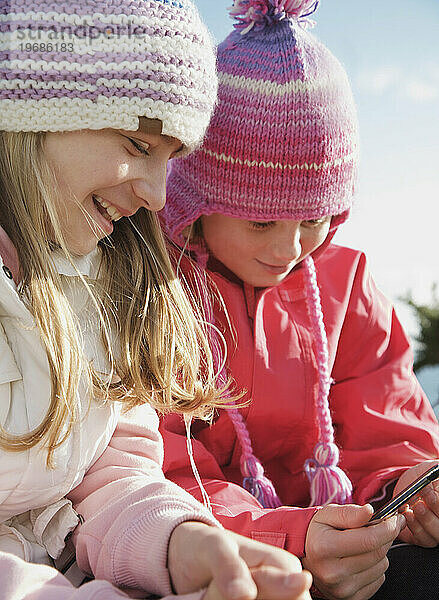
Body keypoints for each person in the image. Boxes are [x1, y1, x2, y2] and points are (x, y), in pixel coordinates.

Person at [0, 1, 313, 599]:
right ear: (27, 112)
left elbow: (104, 475)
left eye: (173, 158)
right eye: (138, 143)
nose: (156, 195)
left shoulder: (100, 282)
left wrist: (182, 544)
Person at [160, 1, 439, 598]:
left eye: (314, 217)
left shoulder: (345, 286)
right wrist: (289, 538)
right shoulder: (154, 291)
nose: (290, 248)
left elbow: (385, 425)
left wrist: (403, 487)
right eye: (261, 223)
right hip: (215, 555)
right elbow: (160, 473)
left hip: (340, 545)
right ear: (198, 199)